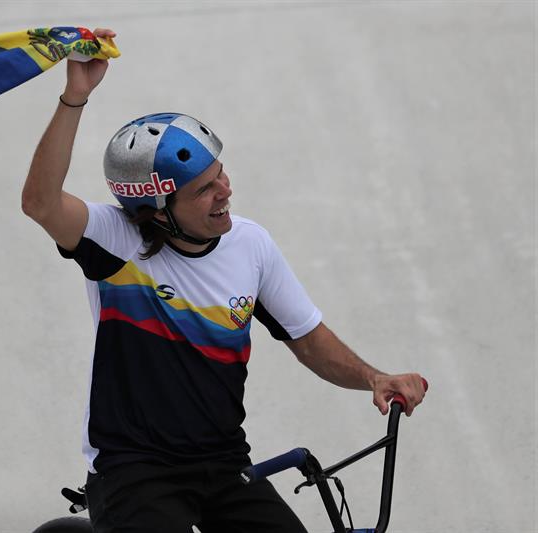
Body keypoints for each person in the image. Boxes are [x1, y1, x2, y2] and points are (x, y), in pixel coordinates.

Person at [21, 27, 426, 533]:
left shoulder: (250, 245)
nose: (225, 191)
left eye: (221, 174)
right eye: (203, 189)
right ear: (157, 211)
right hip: (135, 468)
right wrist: (74, 97)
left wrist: (374, 377)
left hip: (223, 461)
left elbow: (308, 339)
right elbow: (39, 202)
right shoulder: (116, 242)